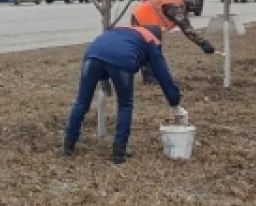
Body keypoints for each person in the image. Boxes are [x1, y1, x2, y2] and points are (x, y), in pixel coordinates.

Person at [63, 24, 186, 164]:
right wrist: (174, 101)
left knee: (81, 101)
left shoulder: (123, 30)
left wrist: (104, 79)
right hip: (122, 59)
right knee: (125, 105)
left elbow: (106, 51)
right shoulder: (151, 40)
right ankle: (119, 152)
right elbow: (163, 74)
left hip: (92, 55)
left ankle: (68, 145)